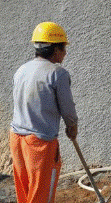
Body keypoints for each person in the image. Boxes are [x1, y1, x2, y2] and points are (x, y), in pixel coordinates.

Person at [9, 22, 78, 203]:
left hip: (16, 139)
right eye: (64, 48)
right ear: (56, 49)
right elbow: (67, 107)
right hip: (39, 144)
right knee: (41, 194)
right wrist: (72, 126)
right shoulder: (57, 73)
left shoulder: (21, 70)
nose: (65, 53)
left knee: (25, 193)